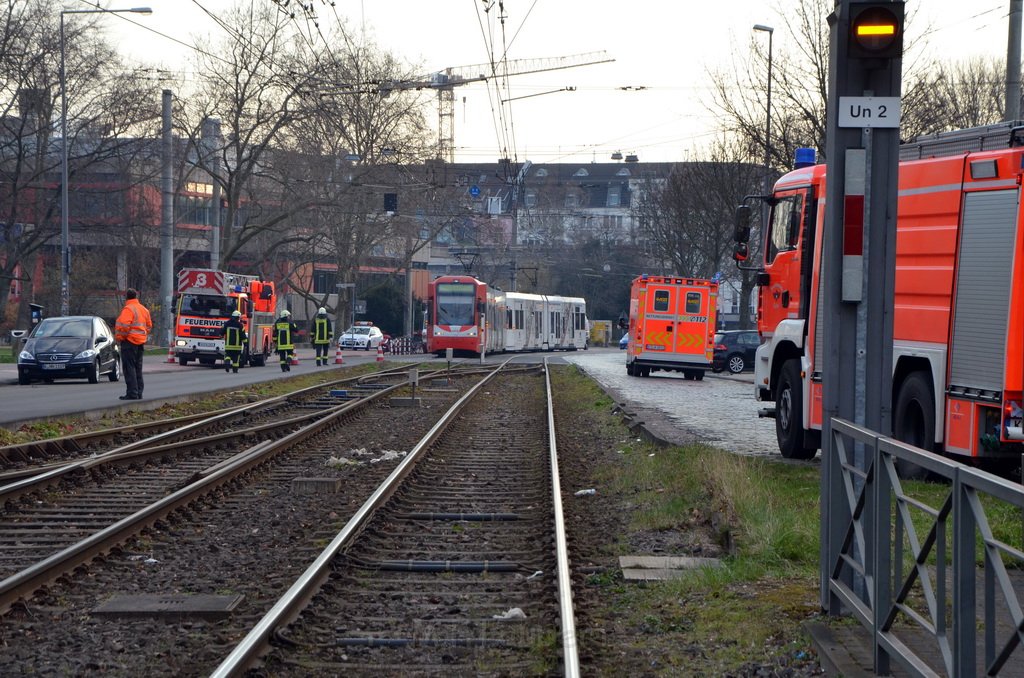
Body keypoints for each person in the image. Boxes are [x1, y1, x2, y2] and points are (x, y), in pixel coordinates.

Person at [114, 287, 153, 400]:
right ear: (136, 296)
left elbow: (124, 326)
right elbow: (149, 326)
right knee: (137, 368)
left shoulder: (128, 309)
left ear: (126, 297)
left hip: (129, 342)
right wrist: (142, 335)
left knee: (129, 368)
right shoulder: (144, 310)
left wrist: (120, 337)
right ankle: (139, 392)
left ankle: (132, 393)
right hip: (140, 343)